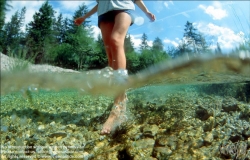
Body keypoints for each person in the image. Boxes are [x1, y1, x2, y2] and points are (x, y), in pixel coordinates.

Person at [75, 0, 155, 135]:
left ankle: (116, 109)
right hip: (104, 12)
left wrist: (146, 11)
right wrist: (84, 17)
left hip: (124, 7)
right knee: (110, 55)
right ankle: (122, 97)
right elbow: (99, 3)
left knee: (116, 40)